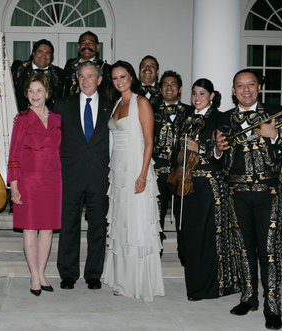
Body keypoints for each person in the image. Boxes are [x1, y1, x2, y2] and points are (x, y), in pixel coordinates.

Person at [215, 69, 282, 330]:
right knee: (243, 248)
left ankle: (272, 306)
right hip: (236, 193)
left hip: (267, 194)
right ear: (233, 90)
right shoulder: (224, 118)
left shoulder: (276, 111)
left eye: (251, 84)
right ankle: (248, 297)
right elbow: (215, 154)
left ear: (259, 87)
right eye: (240, 86)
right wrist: (218, 148)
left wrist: (273, 135)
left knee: (269, 251)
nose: (246, 89)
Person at [173, 78, 249, 301]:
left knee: (207, 238)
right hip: (186, 184)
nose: (197, 98)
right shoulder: (186, 119)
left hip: (209, 187)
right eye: (194, 93)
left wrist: (202, 147)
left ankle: (206, 289)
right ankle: (195, 284)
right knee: (189, 237)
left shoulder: (220, 118)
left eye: (202, 94)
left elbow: (224, 151)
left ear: (212, 96)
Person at [102, 60, 165, 301]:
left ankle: (135, 282)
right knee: (121, 223)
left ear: (131, 77)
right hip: (117, 172)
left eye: (123, 77)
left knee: (135, 224)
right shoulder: (118, 102)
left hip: (136, 171)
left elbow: (149, 141)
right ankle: (121, 278)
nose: (119, 81)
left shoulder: (141, 102)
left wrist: (142, 175)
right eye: (115, 78)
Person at [55, 61, 111, 290]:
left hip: (100, 176)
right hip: (70, 175)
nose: (85, 81)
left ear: (99, 79)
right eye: (82, 77)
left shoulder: (112, 106)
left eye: (90, 76)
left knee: (98, 226)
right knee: (69, 225)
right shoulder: (62, 105)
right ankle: (68, 273)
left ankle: (94, 274)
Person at [7, 73, 62, 296]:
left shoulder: (58, 118)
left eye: (39, 90)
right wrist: (14, 185)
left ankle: (41, 273)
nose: (34, 95)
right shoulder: (22, 119)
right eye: (30, 91)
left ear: (47, 92)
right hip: (29, 181)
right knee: (30, 229)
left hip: (53, 180)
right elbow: (13, 155)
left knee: (47, 229)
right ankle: (33, 276)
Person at [152, 70, 191, 258]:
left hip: (183, 172)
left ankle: (185, 252)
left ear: (180, 88)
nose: (169, 87)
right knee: (155, 214)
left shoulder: (191, 112)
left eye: (173, 84)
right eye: (165, 84)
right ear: (160, 89)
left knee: (183, 215)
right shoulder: (150, 111)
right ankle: (155, 252)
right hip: (157, 171)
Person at [0, 39, 65, 113]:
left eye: (47, 53)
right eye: (40, 52)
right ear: (33, 53)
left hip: (49, 121)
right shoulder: (19, 68)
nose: (43, 56)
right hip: (19, 118)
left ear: (51, 56)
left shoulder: (60, 74)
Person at [63, 31, 110, 97]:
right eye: (83, 43)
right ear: (79, 47)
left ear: (97, 47)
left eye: (91, 43)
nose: (87, 46)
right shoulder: (70, 64)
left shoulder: (105, 68)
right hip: (70, 105)